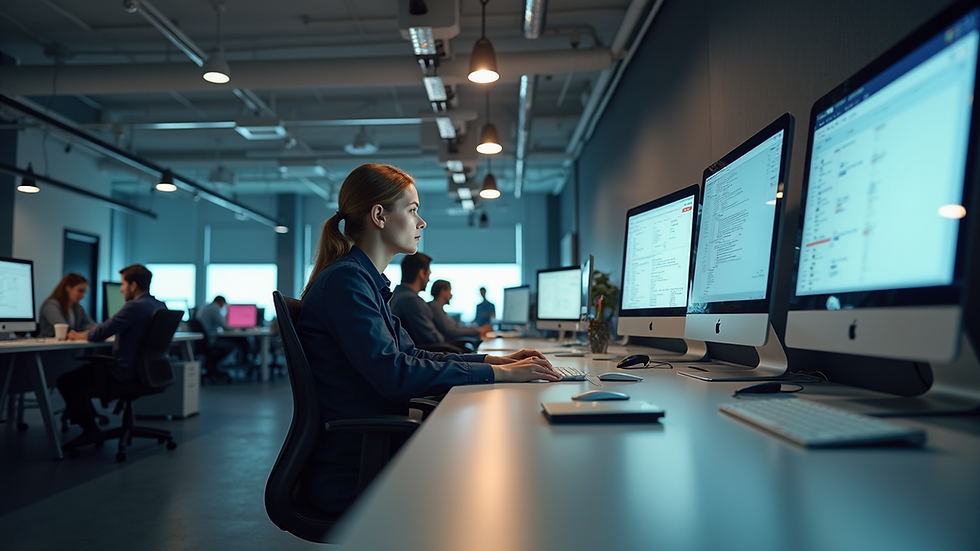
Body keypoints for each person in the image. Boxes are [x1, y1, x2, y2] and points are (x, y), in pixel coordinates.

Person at [296, 163, 559, 514]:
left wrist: (494, 363)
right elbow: (395, 374)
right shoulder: (347, 283)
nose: (422, 223)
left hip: (375, 454)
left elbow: (413, 355)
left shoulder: (363, 281)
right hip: (357, 470)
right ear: (379, 215)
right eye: (413, 210)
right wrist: (501, 374)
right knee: (509, 467)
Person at [57, 265, 166, 434]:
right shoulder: (159, 305)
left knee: (66, 381)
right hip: (148, 372)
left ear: (133, 286)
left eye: (123, 285)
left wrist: (78, 336)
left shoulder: (134, 306)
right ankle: (91, 422)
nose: (121, 290)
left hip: (124, 373)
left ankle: (91, 430)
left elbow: (99, 334)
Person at [389, 252, 446, 347]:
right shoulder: (411, 300)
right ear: (421, 273)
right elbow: (434, 340)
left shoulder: (394, 296)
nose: (429, 280)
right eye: (428, 274)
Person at [37, 273, 97, 338]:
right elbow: (63, 329)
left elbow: (91, 326)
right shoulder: (51, 305)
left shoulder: (77, 308)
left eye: (84, 292)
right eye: (80, 291)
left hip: (70, 346)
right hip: (51, 346)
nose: (83, 295)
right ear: (68, 288)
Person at [194, 295, 238, 378]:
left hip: (203, 340)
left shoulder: (206, 306)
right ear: (221, 302)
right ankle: (215, 367)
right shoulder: (214, 308)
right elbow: (224, 326)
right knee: (232, 344)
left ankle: (213, 366)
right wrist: (236, 328)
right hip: (210, 340)